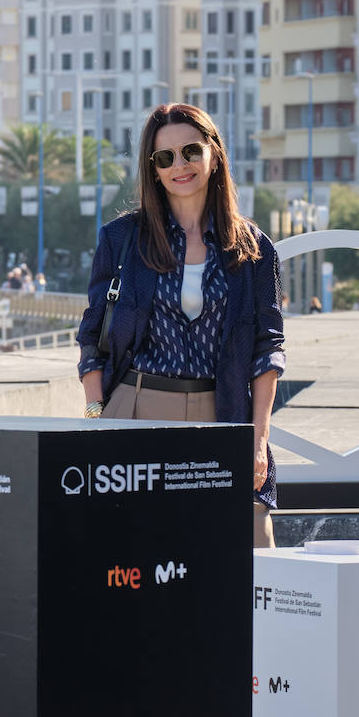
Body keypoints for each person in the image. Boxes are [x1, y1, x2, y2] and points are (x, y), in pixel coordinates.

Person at [76, 103, 285, 548]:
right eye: (165, 157)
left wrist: (259, 438)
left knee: (252, 549)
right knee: (131, 554)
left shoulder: (253, 248)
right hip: (136, 411)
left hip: (224, 412)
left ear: (214, 154)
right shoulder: (122, 239)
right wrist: (97, 416)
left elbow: (268, 349)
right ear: (153, 170)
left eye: (190, 151)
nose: (179, 165)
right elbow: (92, 336)